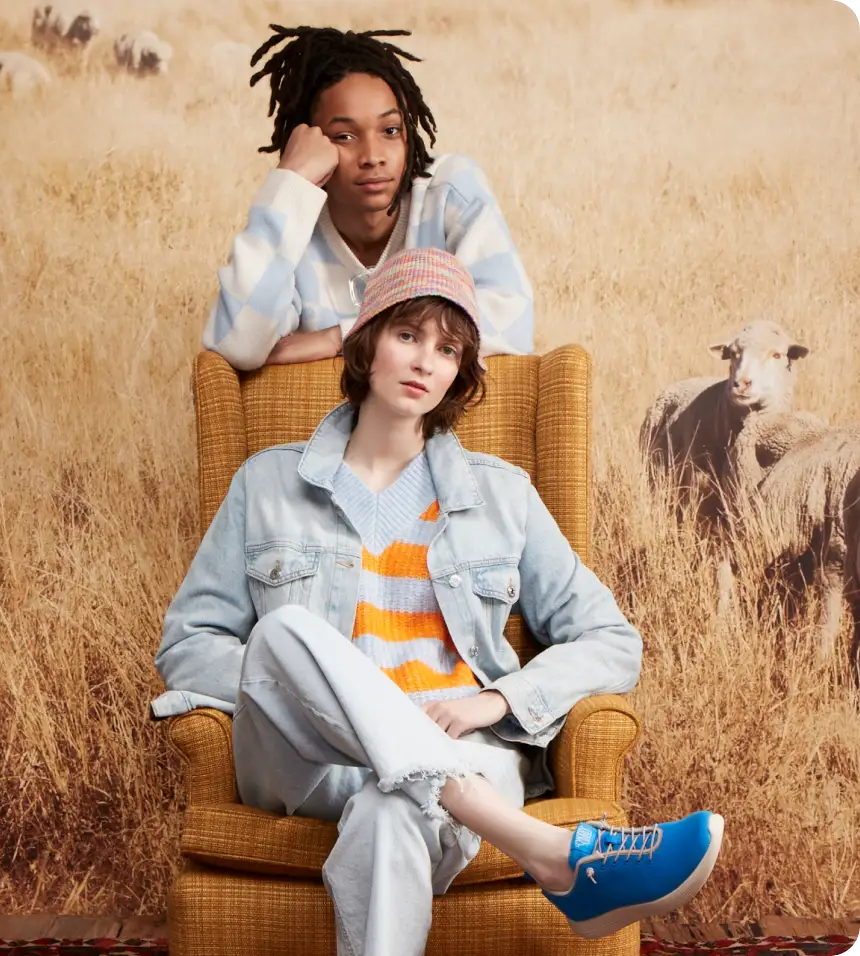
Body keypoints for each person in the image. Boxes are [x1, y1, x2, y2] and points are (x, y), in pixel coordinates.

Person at [152, 248, 724, 955]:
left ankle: (499, 822)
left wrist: (498, 702)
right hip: (309, 766)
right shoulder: (266, 483)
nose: (426, 360)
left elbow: (612, 641)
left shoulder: (502, 495)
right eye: (407, 335)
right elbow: (188, 643)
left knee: (391, 811)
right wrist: (321, 700)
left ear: (460, 371)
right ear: (367, 342)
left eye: (448, 348)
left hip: (468, 752)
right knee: (283, 633)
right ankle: (550, 851)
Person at [203, 24, 536, 371]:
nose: (373, 156)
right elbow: (237, 345)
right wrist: (291, 183)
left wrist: (342, 337)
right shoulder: (295, 224)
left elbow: (510, 321)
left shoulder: (448, 192)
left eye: (390, 130)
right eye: (345, 136)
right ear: (310, 140)